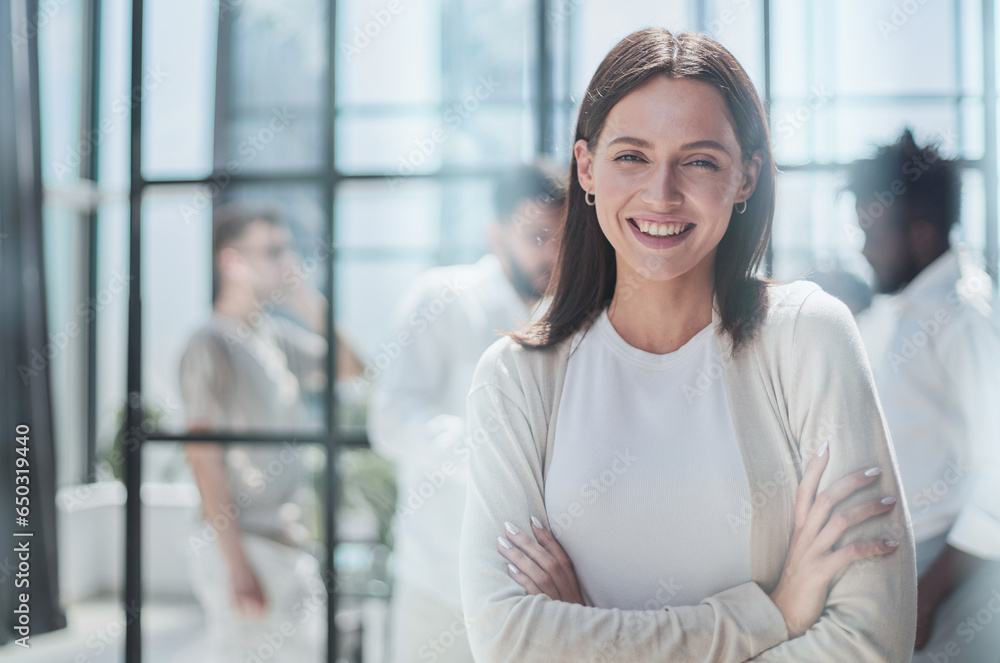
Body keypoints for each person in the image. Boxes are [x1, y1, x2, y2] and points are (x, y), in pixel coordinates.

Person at [459, 27, 918, 662]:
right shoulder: (517, 377)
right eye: (631, 156)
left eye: (700, 160)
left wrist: (588, 635)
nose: (662, 193)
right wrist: (773, 614)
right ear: (586, 168)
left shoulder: (809, 338)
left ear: (746, 176)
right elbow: (509, 644)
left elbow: (870, 644)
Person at [367, 164, 565, 663]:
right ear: (495, 235)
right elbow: (391, 418)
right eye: (537, 236)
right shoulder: (444, 299)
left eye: (564, 237)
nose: (554, 253)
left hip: (537, 597)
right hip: (439, 583)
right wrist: (499, 451)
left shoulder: (574, 316)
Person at [845, 130, 1000, 663]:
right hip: (904, 574)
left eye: (873, 230)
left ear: (921, 231)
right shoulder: (896, 313)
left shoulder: (964, 316)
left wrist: (929, 594)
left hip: (954, 581)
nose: (863, 247)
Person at [179, 204, 340, 661]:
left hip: (285, 544)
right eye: (272, 251)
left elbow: (352, 368)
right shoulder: (209, 343)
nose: (286, 264)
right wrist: (236, 566)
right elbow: (202, 455)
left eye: (286, 250)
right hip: (246, 545)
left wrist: (308, 303)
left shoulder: (275, 336)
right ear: (232, 262)